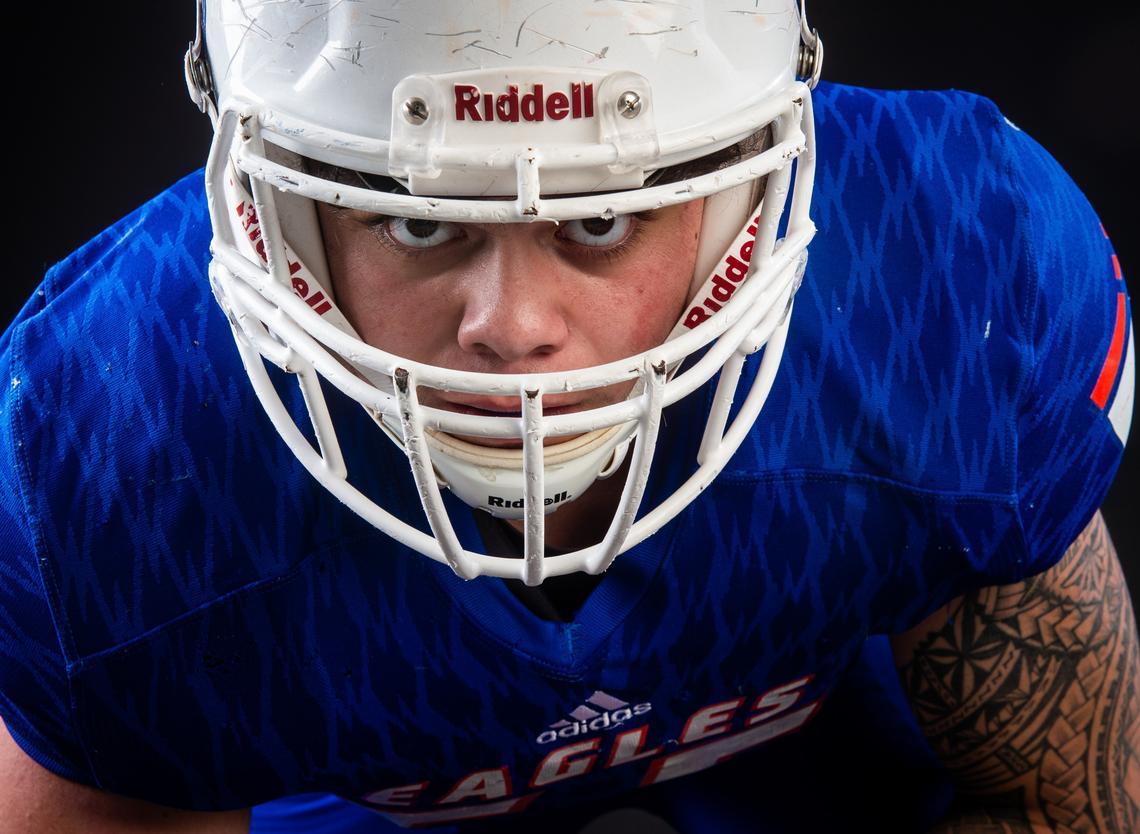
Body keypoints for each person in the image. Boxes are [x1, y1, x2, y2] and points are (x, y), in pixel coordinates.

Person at [1, 1, 1136, 832]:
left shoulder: (957, 280)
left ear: (741, 187)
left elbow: (1058, 806)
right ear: (280, 211)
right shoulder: (111, 454)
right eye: (416, 222)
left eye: (598, 224)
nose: (512, 327)